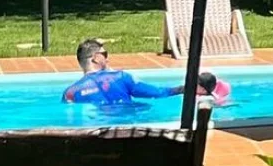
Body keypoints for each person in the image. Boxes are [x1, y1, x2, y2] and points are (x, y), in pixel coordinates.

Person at [62, 38, 226, 114]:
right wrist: (187, 88)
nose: (108, 58)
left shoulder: (70, 93)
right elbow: (159, 93)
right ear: (97, 58)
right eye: (105, 54)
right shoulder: (121, 77)